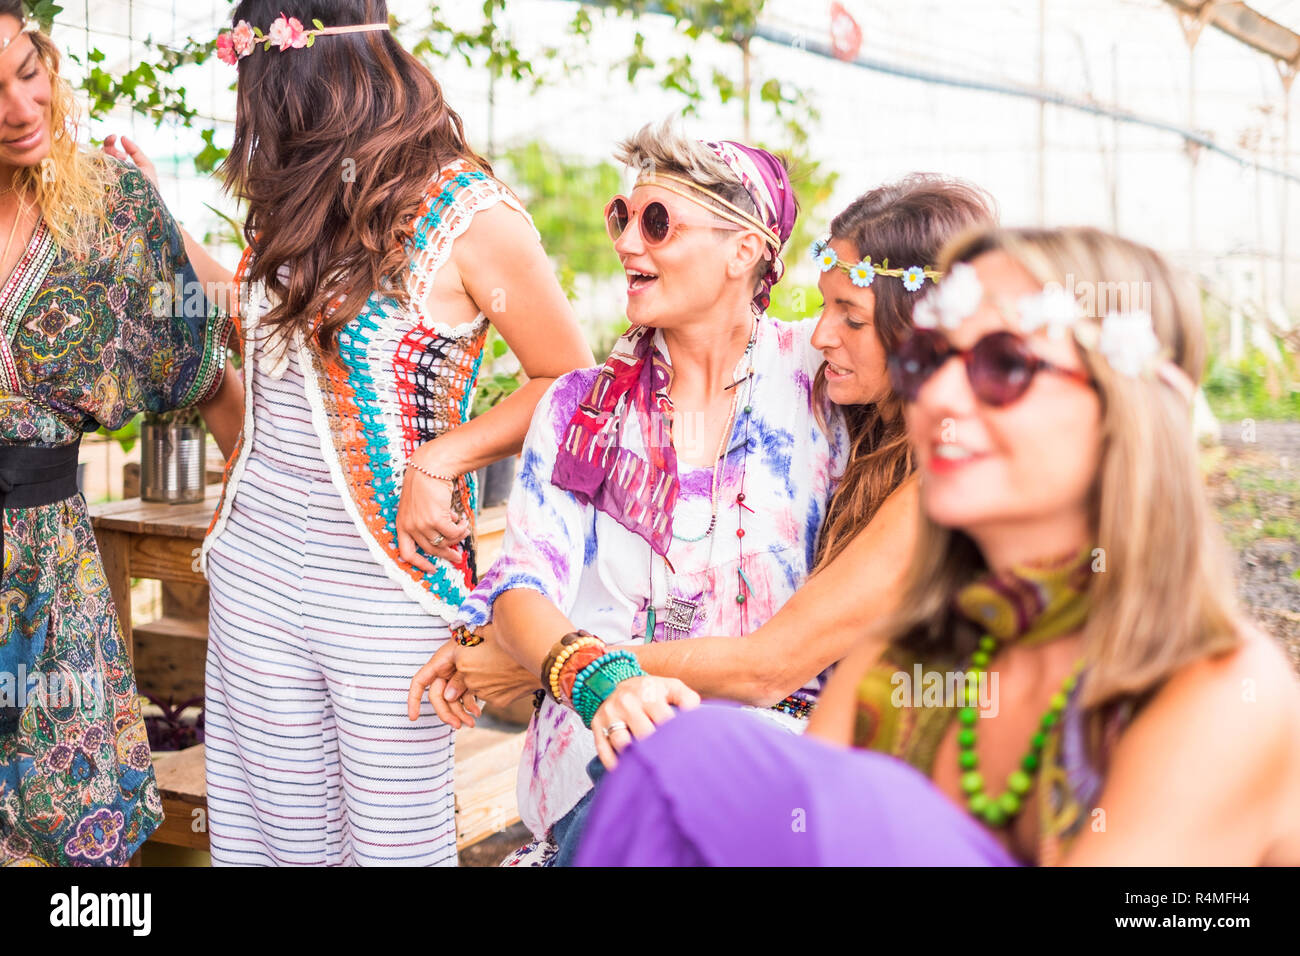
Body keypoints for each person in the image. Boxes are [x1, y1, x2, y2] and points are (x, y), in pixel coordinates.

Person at [574, 225, 1300, 866]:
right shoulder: (894, 670)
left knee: (701, 754)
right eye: (929, 361)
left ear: (1131, 406)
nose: (941, 399)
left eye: (1003, 365)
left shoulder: (1217, 687)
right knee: (687, 761)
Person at [408, 171, 996, 866]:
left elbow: (769, 668)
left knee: (664, 771)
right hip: (765, 772)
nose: (825, 333)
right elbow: (525, 582)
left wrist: (555, 666)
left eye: (659, 222)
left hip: (885, 794)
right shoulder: (585, 406)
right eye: (621, 215)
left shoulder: (907, 454)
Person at [196, 0, 592, 866]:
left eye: (256, 80)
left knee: (391, 845)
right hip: (255, 570)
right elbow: (276, 341)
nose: (251, 106)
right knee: (270, 841)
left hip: (389, 590)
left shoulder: (468, 213)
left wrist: (443, 457)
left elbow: (570, 379)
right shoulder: (297, 197)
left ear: (306, 73)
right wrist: (164, 227)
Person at [0, 6, 241, 865]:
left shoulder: (110, 206)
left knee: (70, 840)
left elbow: (210, 366)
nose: (21, 108)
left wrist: (261, 516)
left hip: (48, 570)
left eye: (29, 72)